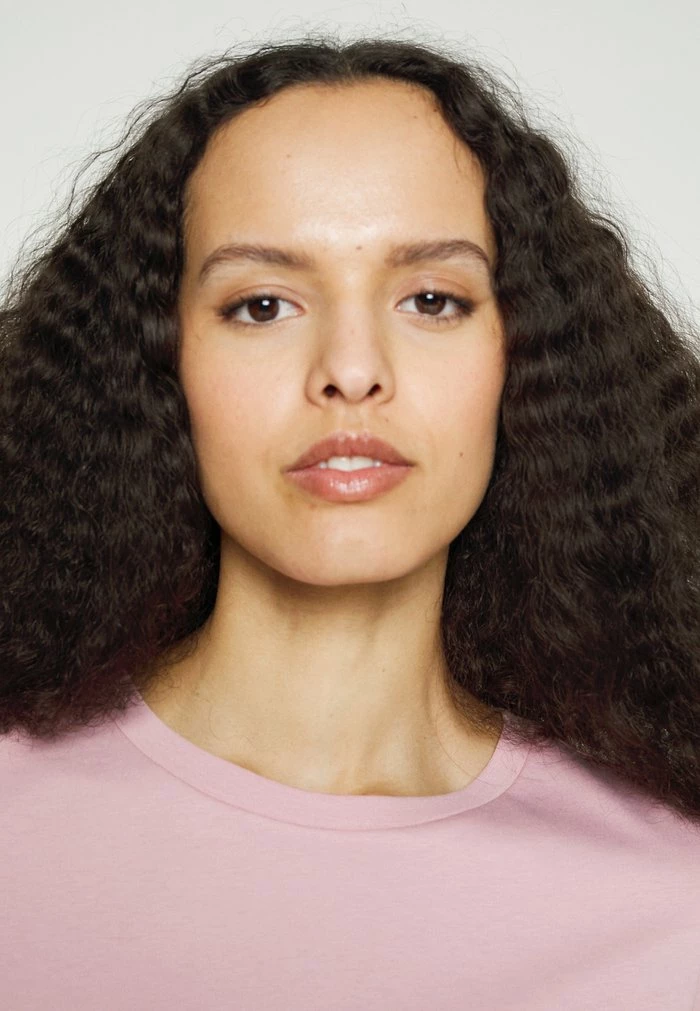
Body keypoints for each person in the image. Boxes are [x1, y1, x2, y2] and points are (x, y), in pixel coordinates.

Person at [1, 32, 699, 1011]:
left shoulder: (671, 910)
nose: (352, 370)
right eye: (261, 305)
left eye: (432, 299)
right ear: (156, 364)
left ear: (529, 361)